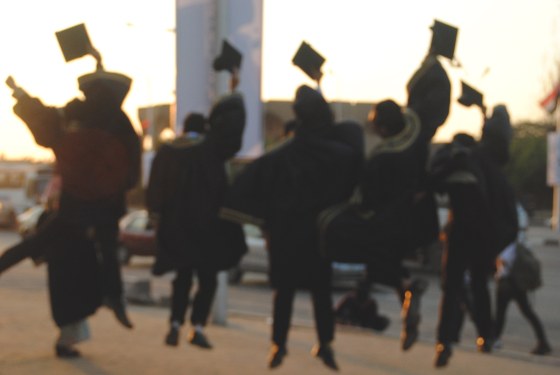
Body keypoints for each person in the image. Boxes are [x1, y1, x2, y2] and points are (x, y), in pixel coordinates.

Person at [220, 85, 364, 370]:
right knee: (320, 291)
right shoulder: (338, 155)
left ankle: (279, 345)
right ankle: (325, 344)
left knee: (283, 292)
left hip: (285, 233)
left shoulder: (282, 156)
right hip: (317, 235)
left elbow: (250, 185)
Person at [0, 68, 141, 330]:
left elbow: (43, 119)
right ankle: (116, 298)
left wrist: (20, 94)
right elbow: (131, 171)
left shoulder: (75, 115)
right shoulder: (121, 123)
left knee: (36, 241)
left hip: (74, 204)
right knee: (109, 252)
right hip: (107, 205)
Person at [147, 68, 247, 350]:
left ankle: (175, 324)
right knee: (209, 278)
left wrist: (156, 217)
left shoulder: (167, 152)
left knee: (182, 276)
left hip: (177, 227)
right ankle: (198, 326)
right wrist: (233, 88)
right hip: (208, 227)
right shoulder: (211, 151)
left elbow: (154, 189)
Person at [428, 132, 496, 367]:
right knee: (478, 287)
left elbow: (432, 184)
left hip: (460, 232)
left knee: (452, 289)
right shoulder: (480, 163)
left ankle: (445, 341)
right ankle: (485, 337)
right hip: (481, 233)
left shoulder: (454, 162)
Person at [494, 238, 552, 355]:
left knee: (500, 315)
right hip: (517, 284)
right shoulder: (516, 244)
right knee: (528, 313)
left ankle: (494, 340)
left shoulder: (505, 245)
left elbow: (503, 263)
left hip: (507, 284)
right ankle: (543, 341)